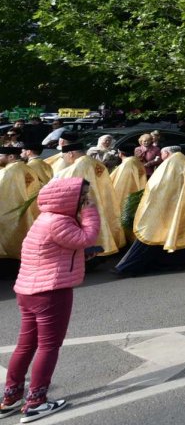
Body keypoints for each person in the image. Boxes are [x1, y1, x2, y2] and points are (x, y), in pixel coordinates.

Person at [2, 177, 99, 420]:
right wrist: (91, 212)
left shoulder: (44, 219)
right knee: (48, 346)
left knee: (26, 345)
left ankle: (11, 397)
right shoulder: (60, 222)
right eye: (83, 197)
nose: (86, 201)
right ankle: (36, 401)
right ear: (70, 199)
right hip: (50, 292)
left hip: (28, 290)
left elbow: (54, 252)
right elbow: (87, 238)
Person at [113, 146, 185, 277]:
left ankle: (127, 268)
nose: (160, 156)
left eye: (161, 153)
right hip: (181, 206)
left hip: (165, 206)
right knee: (173, 234)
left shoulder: (171, 163)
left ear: (166, 153)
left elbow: (158, 186)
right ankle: (174, 263)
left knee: (149, 236)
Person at [0, 146, 41, 260]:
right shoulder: (28, 169)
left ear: (11, 157)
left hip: (9, 213)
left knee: (8, 245)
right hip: (29, 211)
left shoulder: (7, 172)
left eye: (0, 156)